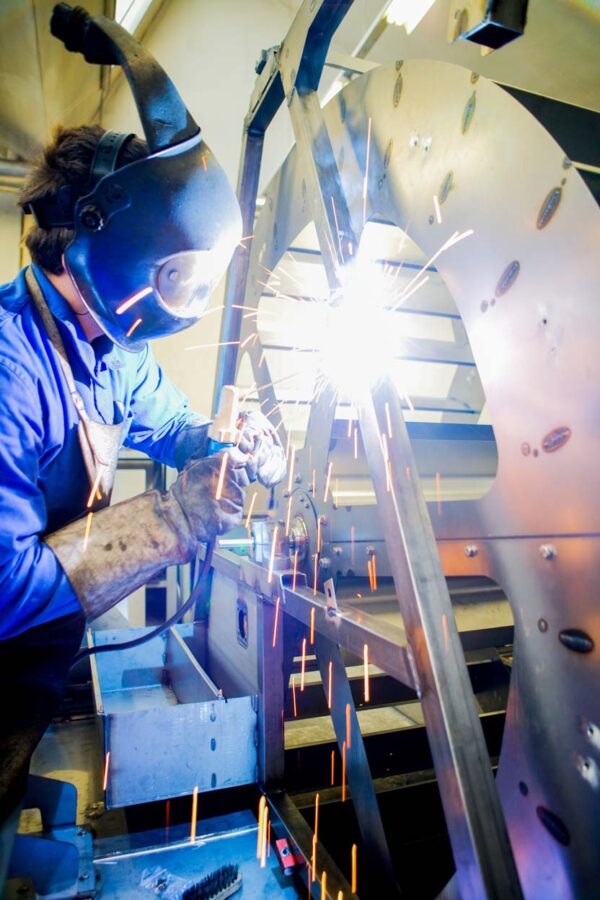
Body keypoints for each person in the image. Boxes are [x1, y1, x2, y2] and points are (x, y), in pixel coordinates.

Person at [0, 5, 285, 887]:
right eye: (176, 272)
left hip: (41, 654)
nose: (183, 295)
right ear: (103, 239)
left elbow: (172, 424)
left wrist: (231, 439)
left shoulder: (115, 351)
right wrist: (172, 518)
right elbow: (5, 587)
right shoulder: (10, 366)